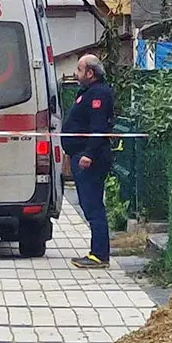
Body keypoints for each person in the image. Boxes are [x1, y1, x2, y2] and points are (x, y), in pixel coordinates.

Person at [61, 54, 116, 270]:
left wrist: (89, 154)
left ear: (90, 73)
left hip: (90, 159)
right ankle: (96, 252)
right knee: (88, 204)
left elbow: (98, 128)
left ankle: (99, 254)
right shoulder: (87, 92)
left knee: (93, 205)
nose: (75, 73)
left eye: (79, 69)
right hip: (81, 155)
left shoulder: (99, 94)